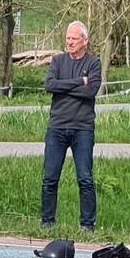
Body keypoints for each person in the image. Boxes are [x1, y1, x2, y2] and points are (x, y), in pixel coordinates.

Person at [41, 21, 102, 232]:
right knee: (50, 178)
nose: (70, 42)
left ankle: (87, 224)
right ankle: (47, 222)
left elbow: (90, 92)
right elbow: (50, 85)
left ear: (85, 41)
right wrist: (79, 81)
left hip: (83, 128)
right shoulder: (57, 61)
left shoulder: (94, 63)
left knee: (85, 178)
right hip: (57, 127)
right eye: (68, 38)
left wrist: (64, 87)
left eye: (74, 38)